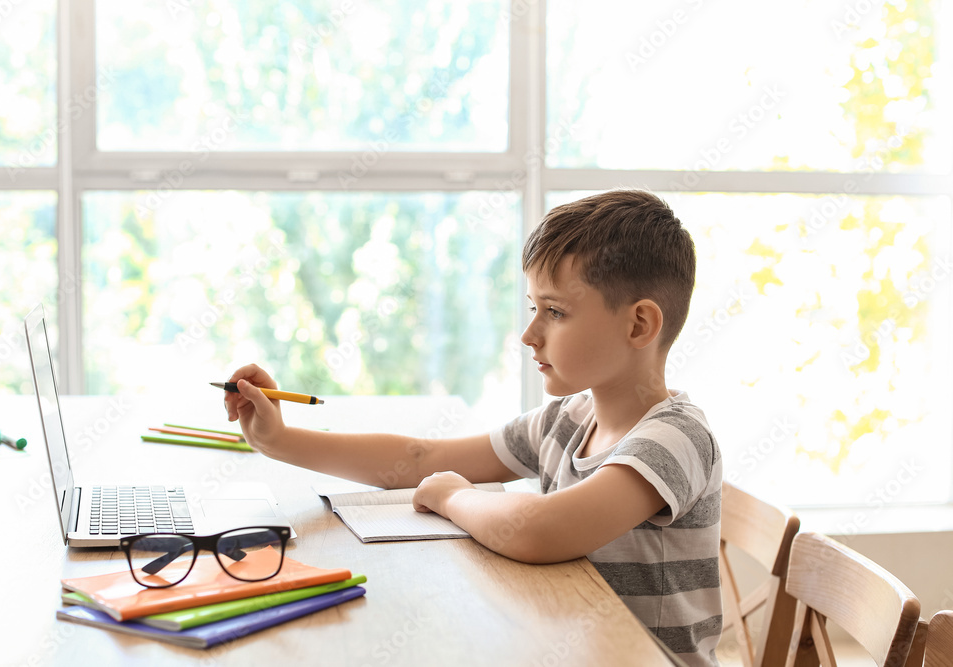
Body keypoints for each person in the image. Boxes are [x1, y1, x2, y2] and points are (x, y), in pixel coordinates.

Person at [223, 189, 722, 667]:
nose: (529, 334)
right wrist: (281, 440)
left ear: (638, 325)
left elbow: (540, 529)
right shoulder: (567, 419)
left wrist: (452, 497)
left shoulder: (674, 439)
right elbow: (417, 461)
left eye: (555, 312)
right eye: (533, 308)